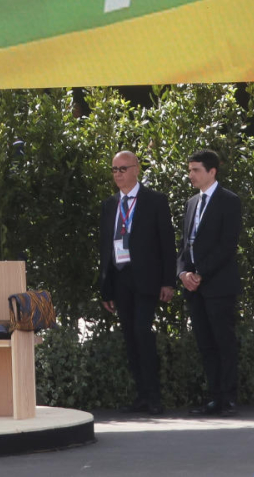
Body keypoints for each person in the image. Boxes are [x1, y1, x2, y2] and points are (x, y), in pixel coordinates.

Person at [98, 151, 176, 414]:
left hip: (146, 278)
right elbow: (105, 248)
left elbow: (167, 242)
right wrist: (105, 287)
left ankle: (154, 397)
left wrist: (168, 281)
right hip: (120, 277)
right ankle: (141, 396)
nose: (118, 174)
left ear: (136, 169)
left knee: (143, 332)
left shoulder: (154, 201)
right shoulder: (110, 204)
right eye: (114, 170)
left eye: (122, 168)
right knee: (130, 336)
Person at [178, 150, 244, 416]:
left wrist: (200, 273)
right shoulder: (191, 203)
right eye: (190, 169)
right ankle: (214, 397)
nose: (191, 175)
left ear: (212, 171)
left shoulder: (229, 201)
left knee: (223, 342)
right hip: (194, 287)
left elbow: (227, 245)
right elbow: (185, 244)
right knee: (205, 343)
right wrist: (183, 273)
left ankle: (228, 397)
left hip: (218, 285)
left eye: (196, 170)